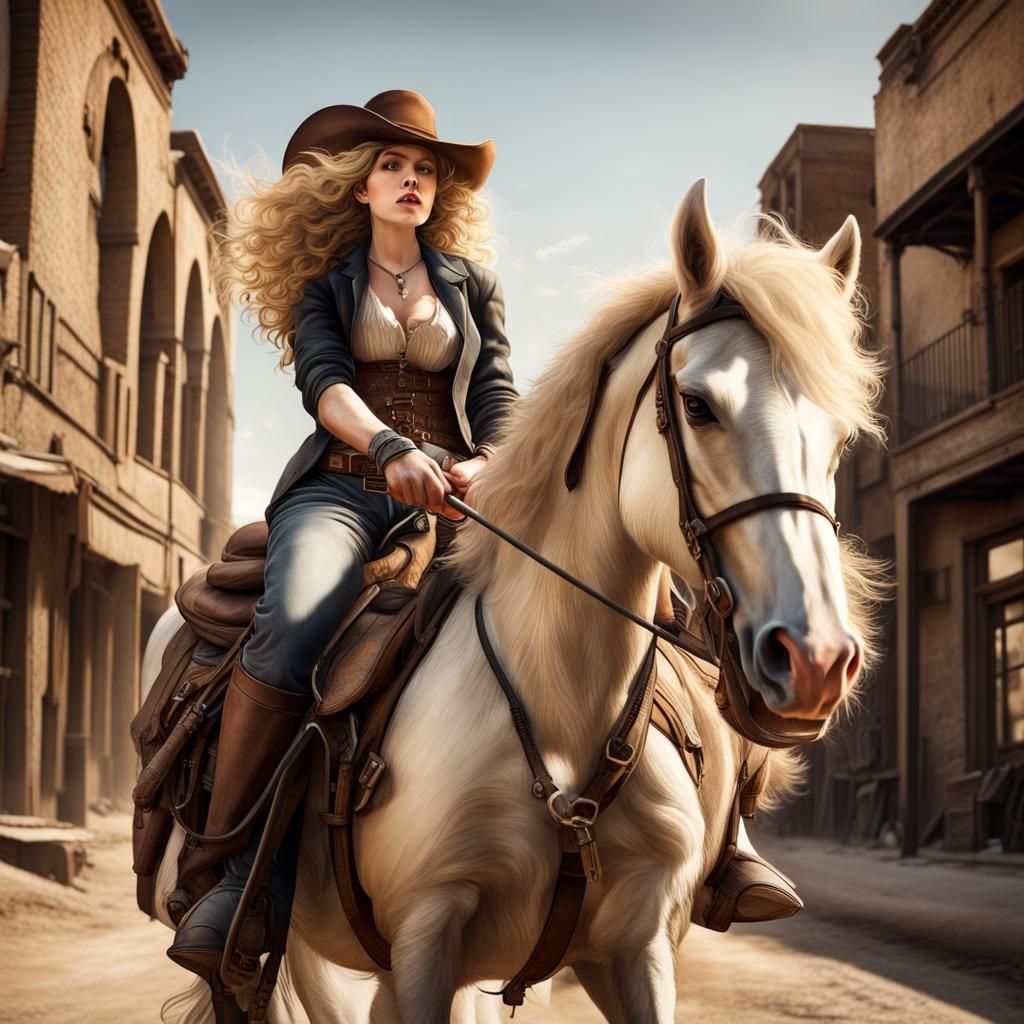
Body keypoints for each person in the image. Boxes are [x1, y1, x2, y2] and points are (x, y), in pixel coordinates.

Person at [166, 90, 517, 981]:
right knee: (293, 621)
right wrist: (391, 446)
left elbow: (496, 395)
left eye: (425, 168)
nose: (411, 179)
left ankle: (709, 834)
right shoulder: (327, 288)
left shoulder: (472, 286)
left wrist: (488, 462)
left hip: (456, 501)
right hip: (343, 490)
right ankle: (233, 873)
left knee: (590, 586)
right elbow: (324, 384)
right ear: (360, 186)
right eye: (393, 166)